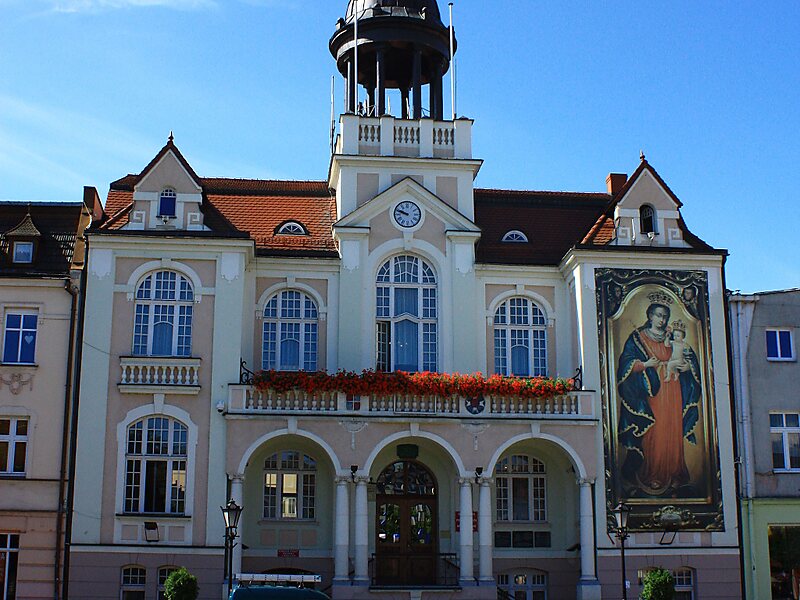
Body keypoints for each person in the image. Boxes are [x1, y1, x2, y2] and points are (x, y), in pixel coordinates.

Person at [617, 295, 702, 495]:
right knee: (655, 429)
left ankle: (675, 475)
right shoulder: (638, 338)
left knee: (672, 428)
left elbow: (690, 360)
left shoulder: (674, 338)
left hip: (673, 389)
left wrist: (688, 367)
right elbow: (625, 364)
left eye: (665, 316)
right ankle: (651, 474)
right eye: (658, 315)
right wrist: (645, 365)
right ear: (650, 316)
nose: (662, 320)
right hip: (652, 390)